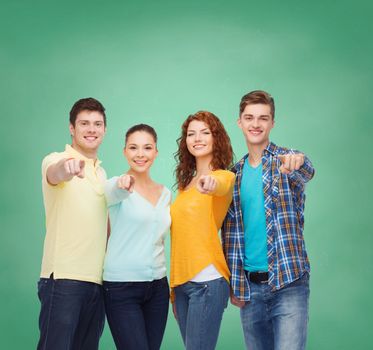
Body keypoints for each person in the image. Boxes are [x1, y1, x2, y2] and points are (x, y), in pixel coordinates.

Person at [222, 90, 315, 350]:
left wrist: (298, 161)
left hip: (289, 283)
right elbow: (231, 235)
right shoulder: (234, 175)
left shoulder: (286, 160)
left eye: (263, 118)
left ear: (272, 123)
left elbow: (306, 170)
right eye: (249, 117)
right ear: (239, 122)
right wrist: (235, 283)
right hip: (250, 289)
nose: (256, 124)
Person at [37, 97, 108, 350]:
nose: (91, 129)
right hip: (64, 280)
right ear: (72, 128)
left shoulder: (101, 173)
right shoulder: (56, 159)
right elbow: (55, 173)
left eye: (97, 124)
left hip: (96, 283)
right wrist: (66, 168)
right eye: (84, 123)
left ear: (104, 129)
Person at [170, 111, 235, 350]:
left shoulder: (223, 177)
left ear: (216, 138)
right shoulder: (184, 186)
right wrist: (175, 289)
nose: (197, 138)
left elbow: (220, 186)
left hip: (207, 282)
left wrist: (210, 183)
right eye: (191, 134)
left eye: (205, 132)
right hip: (182, 284)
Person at [103, 124, 171, 350]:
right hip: (122, 288)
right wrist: (122, 183)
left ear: (156, 152)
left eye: (147, 148)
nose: (140, 154)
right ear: (124, 152)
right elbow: (112, 189)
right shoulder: (116, 188)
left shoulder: (165, 194)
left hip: (158, 289)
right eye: (133, 148)